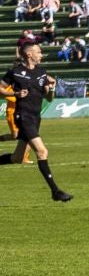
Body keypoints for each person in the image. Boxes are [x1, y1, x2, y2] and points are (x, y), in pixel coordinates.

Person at [0, 38, 73, 203]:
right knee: (42, 152)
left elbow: (49, 98)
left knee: (17, 158)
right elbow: (1, 89)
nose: (41, 54)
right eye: (39, 52)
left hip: (35, 117)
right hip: (23, 116)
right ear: (29, 54)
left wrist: (52, 88)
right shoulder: (15, 72)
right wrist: (15, 95)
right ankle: (55, 191)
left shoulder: (42, 72)